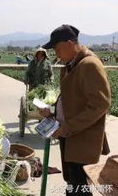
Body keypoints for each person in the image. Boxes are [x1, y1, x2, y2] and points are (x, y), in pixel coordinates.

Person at [40, 24, 111, 196]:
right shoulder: (71, 64)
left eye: (57, 48)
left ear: (70, 43)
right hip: (70, 136)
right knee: (73, 182)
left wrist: (68, 126)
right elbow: (72, 99)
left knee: (79, 186)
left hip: (82, 139)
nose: (56, 53)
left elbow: (100, 104)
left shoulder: (89, 64)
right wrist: (53, 114)